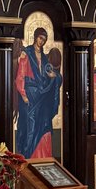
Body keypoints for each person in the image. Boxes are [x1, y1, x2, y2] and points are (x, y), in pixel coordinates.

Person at [15, 26, 63, 158]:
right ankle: (30, 156)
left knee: (45, 124)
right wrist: (24, 94)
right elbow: (21, 76)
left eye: (44, 39)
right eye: (40, 38)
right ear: (35, 37)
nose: (41, 41)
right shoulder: (27, 53)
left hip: (42, 96)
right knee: (31, 126)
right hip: (30, 95)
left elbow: (51, 75)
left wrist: (55, 77)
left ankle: (44, 156)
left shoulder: (45, 57)